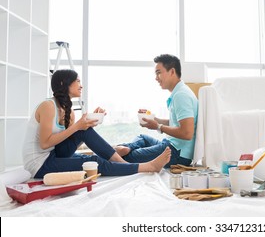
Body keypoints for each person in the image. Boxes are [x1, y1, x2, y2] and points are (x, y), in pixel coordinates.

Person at [22, 69, 171, 178]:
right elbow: (45, 143)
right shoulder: (48, 106)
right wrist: (77, 126)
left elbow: (68, 140)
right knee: (92, 162)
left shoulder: (69, 111)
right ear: (63, 83)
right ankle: (144, 167)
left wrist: (89, 123)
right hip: (39, 164)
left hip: (54, 154)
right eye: (78, 81)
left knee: (84, 132)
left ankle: (124, 165)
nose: (81, 85)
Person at [115, 54, 198, 167]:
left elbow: (187, 133)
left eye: (159, 72)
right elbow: (178, 123)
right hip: (172, 146)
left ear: (172, 71)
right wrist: (155, 120)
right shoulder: (180, 92)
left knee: (126, 157)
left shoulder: (181, 95)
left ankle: (121, 151)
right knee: (143, 138)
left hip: (178, 153)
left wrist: (158, 127)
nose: (156, 77)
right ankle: (126, 147)